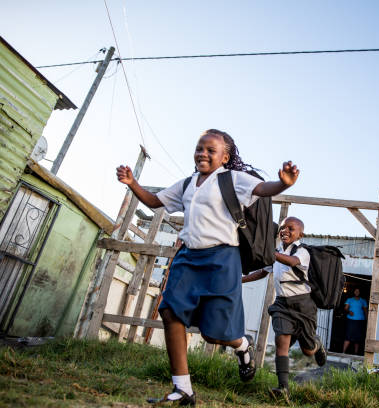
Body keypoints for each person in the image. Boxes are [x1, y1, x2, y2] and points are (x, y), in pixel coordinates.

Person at [116, 129, 299, 406]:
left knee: (215, 333)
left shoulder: (232, 180)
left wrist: (283, 184)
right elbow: (156, 202)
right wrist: (132, 183)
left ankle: (242, 345)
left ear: (225, 157)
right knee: (169, 311)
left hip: (222, 260)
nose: (203, 153)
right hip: (188, 257)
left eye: (210, 150)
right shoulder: (188, 184)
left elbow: (262, 189)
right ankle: (182, 388)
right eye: (199, 148)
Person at [242, 216, 326, 401]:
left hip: (303, 305)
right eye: (282, 228)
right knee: (282, 342)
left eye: (291, 228)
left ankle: (317, 344)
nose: (285, 231)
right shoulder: (277, 250)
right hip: (282, 304)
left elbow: (291, 262)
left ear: (300, 234)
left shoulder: (302, 252)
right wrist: (240, 279)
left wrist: (270, 252)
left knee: (308, 350)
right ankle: (283, 388)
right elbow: (263, 272)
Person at [342, 288, 368, 355]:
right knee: (348, 336)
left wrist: (367, 319)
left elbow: (365, 311)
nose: (357, 292)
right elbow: (345, 308)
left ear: (360, 292)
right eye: (355, 291)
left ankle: (356, 353)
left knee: (358, 337)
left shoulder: (363, 301)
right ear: (354, 292)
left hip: (360, 321)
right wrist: (349, 311)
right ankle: (343, 352)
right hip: (351, 320)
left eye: (358, 291)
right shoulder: (349, 300)